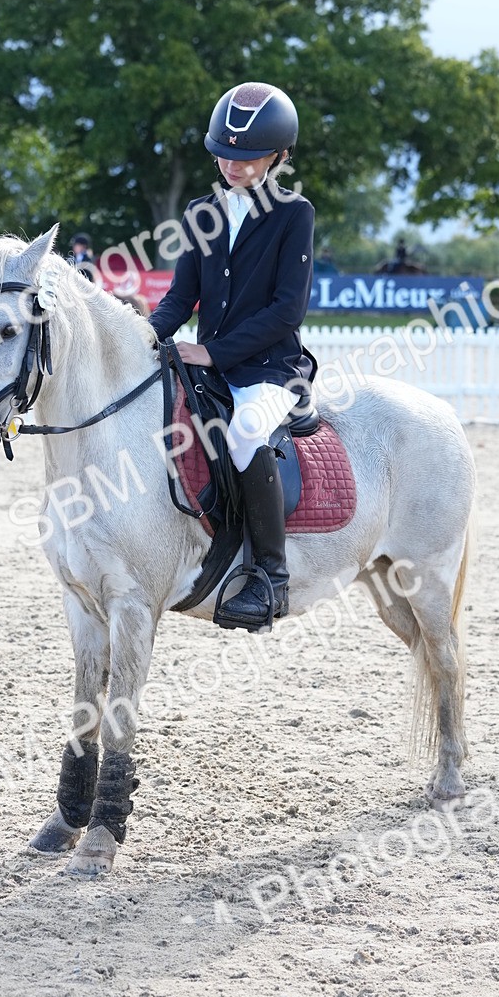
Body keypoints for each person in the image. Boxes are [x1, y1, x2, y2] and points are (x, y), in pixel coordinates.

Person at [148, 81, 316, 630]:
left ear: (279, 156)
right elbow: (180, 297)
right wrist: (144, 336)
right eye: (223, 153)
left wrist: (212, 352)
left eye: (246, 157)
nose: (231, 164)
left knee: (244, 433)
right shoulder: (202, 211)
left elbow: (286, 311)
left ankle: (271, 577)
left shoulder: (294, 214)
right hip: (209, 366)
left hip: (269, 369)